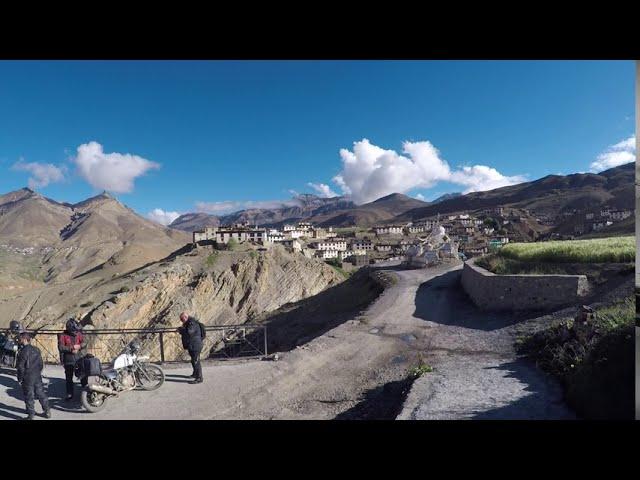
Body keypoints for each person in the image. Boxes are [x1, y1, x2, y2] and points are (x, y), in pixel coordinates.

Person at [16, 332, 50, 420]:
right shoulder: (36, 349)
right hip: (37, 375)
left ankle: (31, 415)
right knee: (41, 393)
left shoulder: (22, 352)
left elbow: (20, 367)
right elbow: (41, 364)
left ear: (24, 339)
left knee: (29, 395)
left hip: (27, 377)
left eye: (20, 339)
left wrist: (19, 378)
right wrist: (38, 372)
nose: (19, 341)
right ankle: (47, 411)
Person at [58, 318, 87, 400]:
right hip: (68, 359)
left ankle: (85, 392)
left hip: (79, 357)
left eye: (76, 331)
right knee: (69, 378)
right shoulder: (63, 335)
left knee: (83, 375)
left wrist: (79, 346)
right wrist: (71, 348)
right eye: (74, 331)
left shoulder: (79, 333)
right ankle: (69, 394)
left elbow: (85, 342)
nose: (75, 332)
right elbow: (60, 347)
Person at [177, 312, 204, 384]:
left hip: (195, 345)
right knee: (193, 360)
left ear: (186, 317)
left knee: (196, 361)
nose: (181, 321)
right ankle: (195, 374)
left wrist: (181, 330)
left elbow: (189, 332)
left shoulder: (192, 323)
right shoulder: (189, 323)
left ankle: (199, 378)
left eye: (182, 319)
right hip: (192, 344)